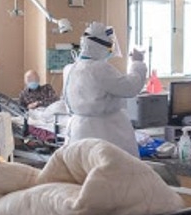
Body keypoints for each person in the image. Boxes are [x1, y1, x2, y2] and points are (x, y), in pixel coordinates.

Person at [62, 22, 147, 157]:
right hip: (104, 131)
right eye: (109, 48)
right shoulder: (99, 69)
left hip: (78, 131)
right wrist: (138, 63)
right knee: (110, 167)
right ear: (100, 46)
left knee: (83, 167)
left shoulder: (69, 69)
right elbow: (130, 87)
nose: (110, 52)